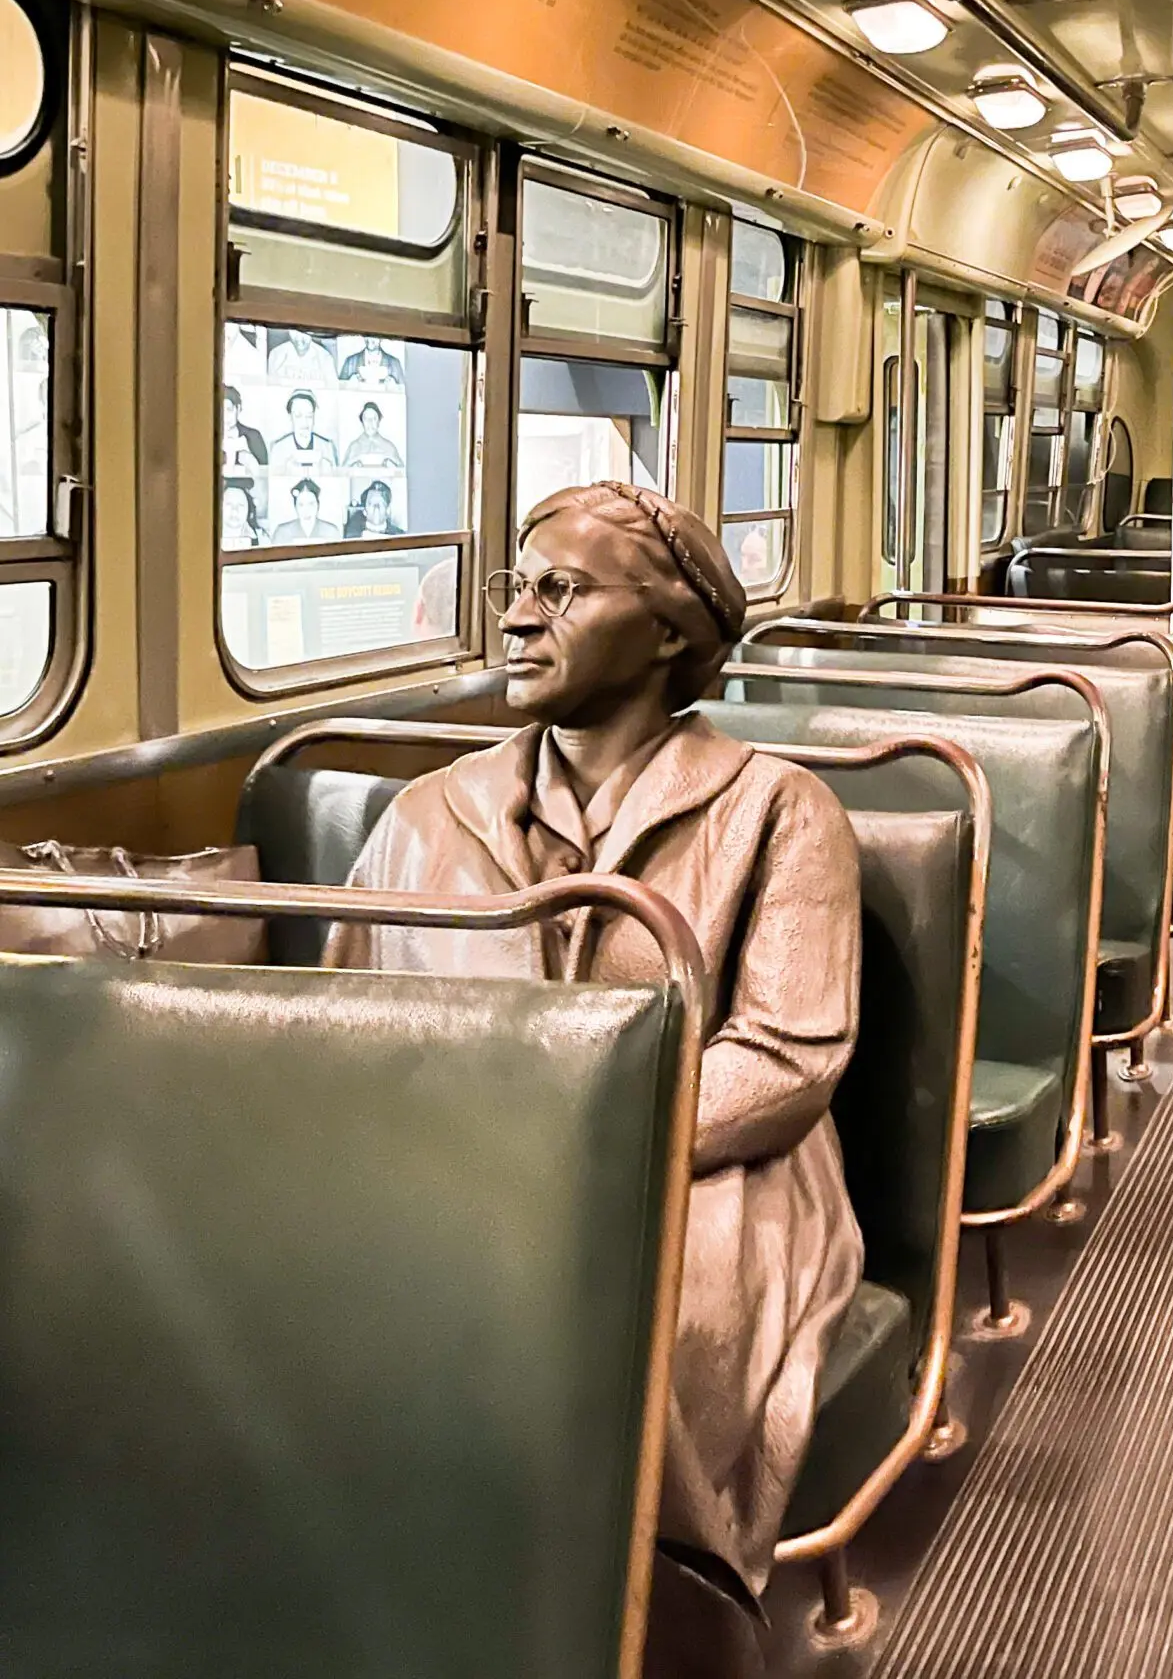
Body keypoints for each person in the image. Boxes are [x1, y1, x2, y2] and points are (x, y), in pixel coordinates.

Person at [324, 483, 862, 1675]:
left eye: (556, 590)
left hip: (701, 1159)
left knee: (648, 1321)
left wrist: (579, 1152)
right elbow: (344, 1024)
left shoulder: (780, 813)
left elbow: (786, 1055)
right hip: (456, 1159)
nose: (517, 619)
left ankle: (643, 1621)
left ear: (670, 630)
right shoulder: (424, 814)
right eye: (512, 589)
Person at [269, 391, 340, 477]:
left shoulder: (327, 447)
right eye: (298, 416)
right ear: (290, 417)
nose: (304, 422)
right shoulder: (279, 449)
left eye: (309, 416)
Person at [340, 398, 404, 474]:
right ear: (362, 422)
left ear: (379, 421)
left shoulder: (389, 447)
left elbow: (402, 471)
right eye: (366, 419)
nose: (370, 423)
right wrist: (351, 470)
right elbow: (342, 473)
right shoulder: (353, 447)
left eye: (374, 419)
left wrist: (394, 469)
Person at [222, 386, 267, 492]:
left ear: (238, 409)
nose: (225, 416)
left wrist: (249, 458)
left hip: (248, 496)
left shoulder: (253, 436)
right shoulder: (207, 439)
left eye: (229, 410)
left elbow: (264, 475)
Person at [270, 477, 339, 544]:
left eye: (311, 504)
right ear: (295, 507)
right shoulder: (282, 532)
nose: (306, 510)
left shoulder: (331, 531)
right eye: (301, 505)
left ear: (318, 505)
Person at [266, 328, 338, 388]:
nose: (299, 338)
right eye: (294, 331)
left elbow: (333, 395)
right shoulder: (277, 354)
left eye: (304, 331)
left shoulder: (325, 358)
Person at [339, 335, 404, 388]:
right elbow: (339, 390)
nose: (370, 339)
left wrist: (393, 387)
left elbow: (403, 392)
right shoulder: (350, 361)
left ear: (381, 337)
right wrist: (349, 384)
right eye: (367, 335)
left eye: (374, 335)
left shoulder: (394, 363)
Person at [219, 480, 262, 550]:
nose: (234, 511)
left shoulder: (262, 539)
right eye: (229, 504)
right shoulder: (206, 537)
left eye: (240, 505)